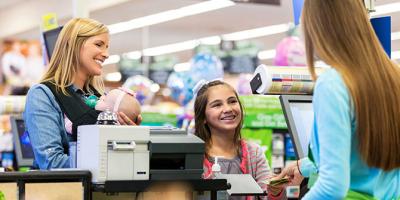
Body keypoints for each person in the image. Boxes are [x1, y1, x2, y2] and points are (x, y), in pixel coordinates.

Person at [275, 0, 400, 199]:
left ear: (318, 27)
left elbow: (333, 186)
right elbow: (364, 160)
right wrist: (304, 166)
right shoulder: (394, 76)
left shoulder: (333, 83)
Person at [23, 18, 140, 169]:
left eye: (107, 47)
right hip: (63, 191)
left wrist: (130, 140)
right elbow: (52, 163)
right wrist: (106, 158)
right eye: (99, 44)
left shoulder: (102, 99)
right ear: (74, 44)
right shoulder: (43, 95)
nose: (106, 54)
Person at [193, 80, 286, 200]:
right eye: (217, 105)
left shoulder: (254, 152)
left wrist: (275, 190)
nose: (227, 109)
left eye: (232, 101)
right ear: (203, 117)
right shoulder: (194, 155)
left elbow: (267, 196)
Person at [64, 87, 142, 134]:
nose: (101, 97)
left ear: (110, 113)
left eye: (104, 100)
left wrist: (66, 116)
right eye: (105, 95)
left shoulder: (96, 119)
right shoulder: (121, 132)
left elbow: (71, 126)